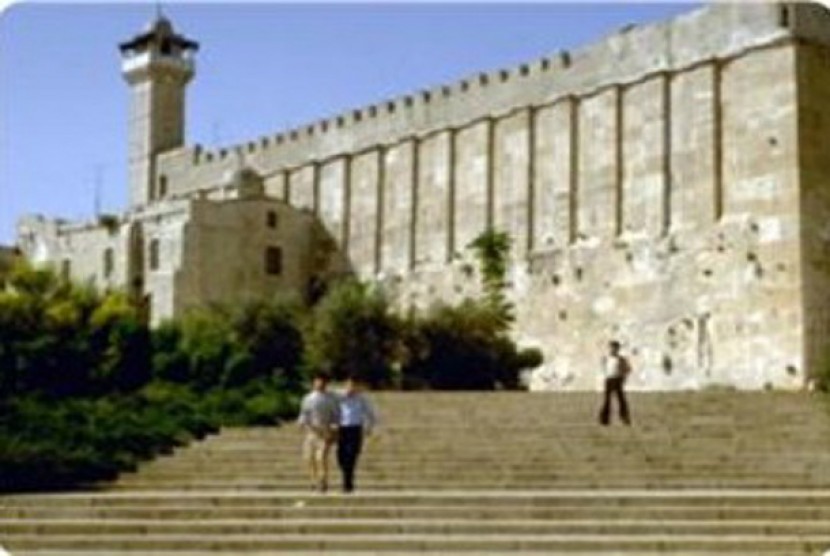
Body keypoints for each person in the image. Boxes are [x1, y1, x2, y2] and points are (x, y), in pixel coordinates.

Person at [297, 372, 340, 493]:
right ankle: (314, 480)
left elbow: (336, 415)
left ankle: (323, 481)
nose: (319, 384)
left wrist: (334, 427)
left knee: (321, 458)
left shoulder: (331, 399)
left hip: (325, 431)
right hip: (311, 431)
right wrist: (301, 422)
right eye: (317, 381)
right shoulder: (308, 398)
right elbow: (304, 413)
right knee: (308, 458)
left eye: (322, 382)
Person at [336, 375, 377, 493]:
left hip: (355, 428)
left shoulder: (362, 398)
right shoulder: (338, 396)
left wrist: (370, 426)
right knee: (341, 456)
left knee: (352, 455)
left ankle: (347, 483)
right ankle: (347, 475)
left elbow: (370, 412)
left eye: (354, 385)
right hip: (341, 428)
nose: (351, 388)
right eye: (349, 385)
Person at [598, 340, 632, 426]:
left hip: (617, 379)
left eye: (615, 348)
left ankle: (624, 417)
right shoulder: (606, 358)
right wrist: (605, 375)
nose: (613, 350)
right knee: (607, 400)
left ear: (618, 349)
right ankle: (604, 419)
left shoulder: (621, 359)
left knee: (621, 399)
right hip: (609, 379)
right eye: (612, 348)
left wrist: (623, 376)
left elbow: (628, 369)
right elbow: (603, 367)